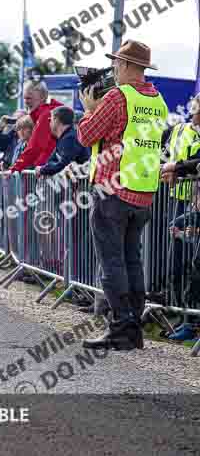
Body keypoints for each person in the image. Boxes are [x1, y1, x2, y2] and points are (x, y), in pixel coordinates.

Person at [77, 40, 168, 351]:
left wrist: (89, 110)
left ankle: (121, 328)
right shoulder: (158, 100)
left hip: (112, 191)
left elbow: (86, 135)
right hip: (142, 192)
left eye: (117, 63)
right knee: (132, 261)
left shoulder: (117, 98)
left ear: (128, 66)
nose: (113, 68)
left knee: (112, 263)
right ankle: (134, 330)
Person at [10, 81, 63, 172]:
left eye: (29, 98)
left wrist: (15, 168)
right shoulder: (49, 111)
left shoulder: (46, 114)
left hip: (51, 173)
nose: (26, 102)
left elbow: (35, 147)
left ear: (42, 97)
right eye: (24, 98)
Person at [35, 106, 90, 178]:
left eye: (50, 120)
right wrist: (48, 168)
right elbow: (51, 161)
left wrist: (42, 170)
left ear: (56, 120)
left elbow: (63, 165)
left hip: (79, 187)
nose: (49, 123)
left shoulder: (71, 138)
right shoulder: (64, 137)